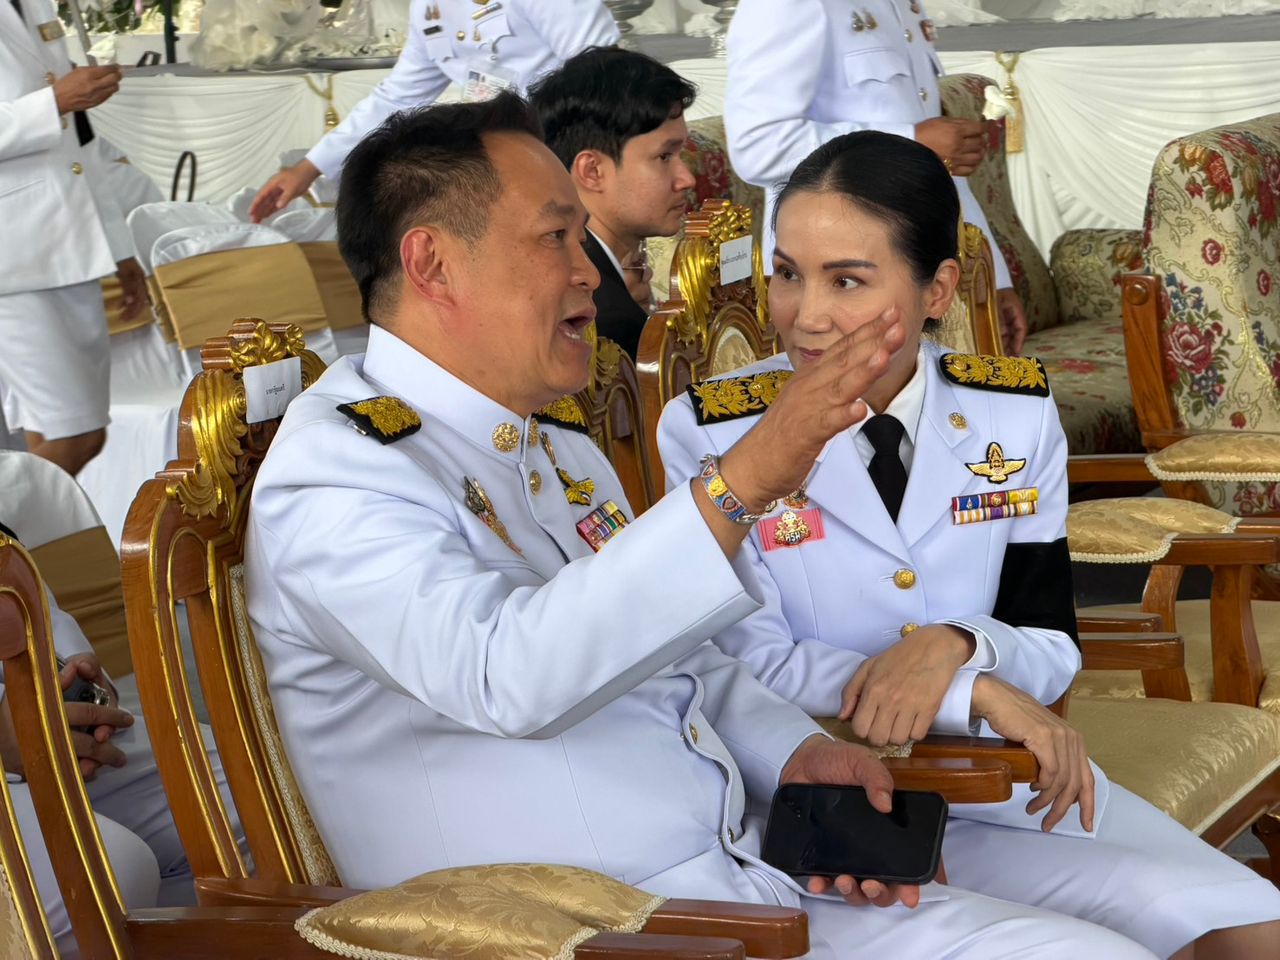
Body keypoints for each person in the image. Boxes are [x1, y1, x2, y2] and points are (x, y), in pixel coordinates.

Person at [243, 92, 1161, 959]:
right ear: (432, 264)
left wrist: (801, 753)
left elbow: (681, 664)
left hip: (738, 877)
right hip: (588, 929)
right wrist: (745, 480)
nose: (586, 268)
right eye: (556, 237)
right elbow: (508, 675)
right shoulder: (341, 469)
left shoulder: (556, 451)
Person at [657, 129, 1280, 959]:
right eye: (787, 273)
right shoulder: (713, 434)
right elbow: (741, 665)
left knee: (1252, 927)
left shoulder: (1009, 412)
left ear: (938, 289)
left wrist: (958, 642)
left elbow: (1050, 643)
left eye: (847, 280)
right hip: (827, 800)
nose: (805, 316)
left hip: (1005, 787)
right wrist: (972, 690)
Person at [0, 510, 244, 957]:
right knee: (111, 875)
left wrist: (78, 685)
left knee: (240, 794)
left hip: (46, 720)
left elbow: (19, 587)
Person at [724, 0, 1027, 355]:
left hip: (922, 276)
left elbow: (939, 173)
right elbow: (757, 147)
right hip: (835, 283)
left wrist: (990, 279)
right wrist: (911, 138)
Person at [248, 0, 619, 223]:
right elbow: (396, 97)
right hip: (509, 158)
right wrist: (309, 167)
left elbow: (600, 68)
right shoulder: (428, 8)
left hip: (570, 156)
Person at [0, 0, 147, 474]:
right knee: (76, 436)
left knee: (52, 432)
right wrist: (53, 103)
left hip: (67, 242)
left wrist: (120, 248)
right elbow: (57, 107)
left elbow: (79, 142)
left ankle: (44, 525)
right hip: (14, 258)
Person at [530, 46, 697, 358]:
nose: (686, 179)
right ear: (592, 171)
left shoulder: (609, 284)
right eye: (664, 156)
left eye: (681, 154)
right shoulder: (603, 321)